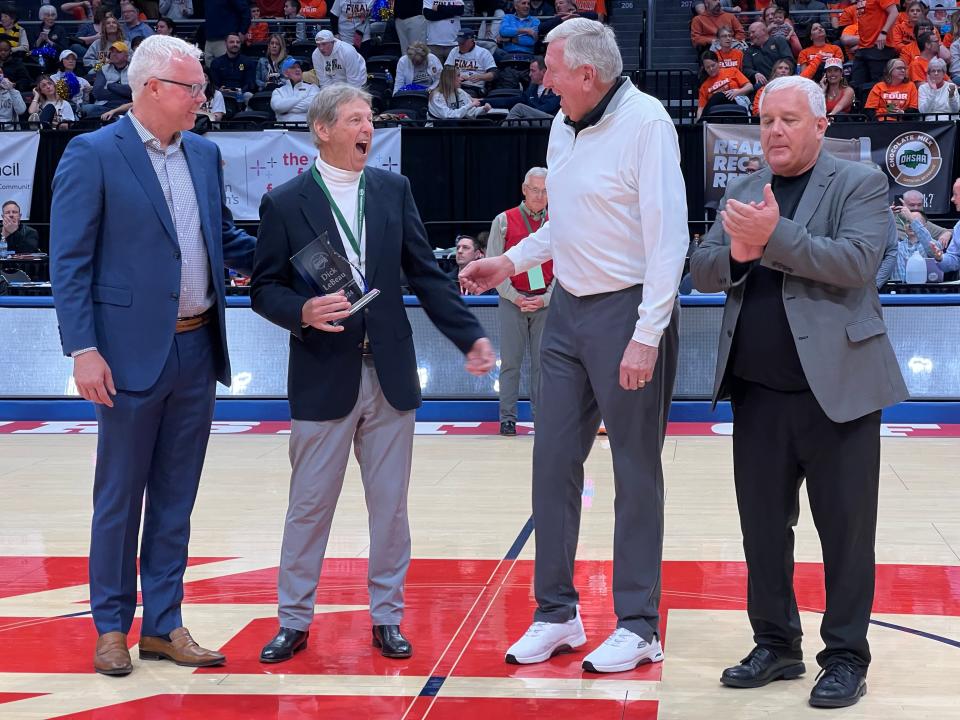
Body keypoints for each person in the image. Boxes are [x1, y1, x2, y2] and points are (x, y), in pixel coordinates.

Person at [461, 18, 686, 674]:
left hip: (625, 312)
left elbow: (668, 237)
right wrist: (510, 264)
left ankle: (639, 624)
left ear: (587, 75)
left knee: (635, 472)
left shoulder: (646, 124)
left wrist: (647, 335)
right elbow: (570, 223)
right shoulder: (564, 125)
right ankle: (557, 613)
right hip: (565, 313)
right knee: (552, 464)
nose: (543, 79)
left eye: (553, 69)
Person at [252, 82, 494, 665]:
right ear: (323, 129)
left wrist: (470, 334)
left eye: (371, 119)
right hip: (322, 373)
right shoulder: (284, 202)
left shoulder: (392, 189)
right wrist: (302, 311)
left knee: (390, 508)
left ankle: (387, 617)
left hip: (389, 374)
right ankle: (293, 620)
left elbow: (427, 274)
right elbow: (263, 288)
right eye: (357, 119)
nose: (368, 128)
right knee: (309, 506)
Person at [689, 75, 909, 709]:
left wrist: (771, 238)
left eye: (789, 120)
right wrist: (734, 250)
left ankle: (844, 657)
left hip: (838, 393)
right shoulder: (740, 187)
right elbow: (704, 268)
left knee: (844, 534)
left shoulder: (860, 184)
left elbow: (856, 263)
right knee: (762, 531)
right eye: (767, 121)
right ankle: (777, 644)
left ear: (821, 126)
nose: (775, 131)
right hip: (756, 393)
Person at [49, 34, 256, 678]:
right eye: (191, 88)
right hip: (127, 354)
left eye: (200, 86)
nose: (203, 97)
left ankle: (164, 624)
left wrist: (303, 244)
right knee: (119, 497)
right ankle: (111, 626)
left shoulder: (203, 152)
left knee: (175, 497)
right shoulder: (92, 153)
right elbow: (70, 261)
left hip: (198, 348)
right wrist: (83, 348)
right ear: (150, 90)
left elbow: (223, 238)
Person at [485, 167, 552, 437]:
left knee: (543, 364)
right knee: (510, 362)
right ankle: (507, 418)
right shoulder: (503, 221)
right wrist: (516, 297)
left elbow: (567, 267)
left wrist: (546, 298)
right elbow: (492, 265)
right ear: (524, 190)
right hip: (512, 302)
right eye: (534, 189)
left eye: (545, 190)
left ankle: (543, 418)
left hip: (546, 303)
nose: (539, 195)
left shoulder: (559, 222)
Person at [850, 0, 899, 102]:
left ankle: (879, 115)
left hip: (879, 48)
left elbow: (894, 12)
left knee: (878, 86)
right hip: (863, 48)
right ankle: (863, 115)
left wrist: (884, 32)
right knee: (857, 85)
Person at [697, 49, 753, 120]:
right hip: (717, 113)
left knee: (718, 95)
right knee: (717, 96)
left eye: (713, 65)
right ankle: (700, 125)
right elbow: (701, 108)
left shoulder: (732, 71)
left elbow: (750, 87)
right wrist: (698, 122)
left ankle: (700, 124)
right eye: (707, 67)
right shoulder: (704, 86)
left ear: (718, 63)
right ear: (704, 69)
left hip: (734, 103)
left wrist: (737, 92)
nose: (711, 69)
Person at [444, 28, 497, 97]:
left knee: (460, 96)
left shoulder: (483, 53)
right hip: (454, 85)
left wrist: (481, 77)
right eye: (459, 42)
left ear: (471, 40)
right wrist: (455, 77)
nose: (460, 44)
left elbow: (494, 74)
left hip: (473, 87)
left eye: (463, 43)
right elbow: (446, 69)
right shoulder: (454, 51)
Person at [743, 21, 793, 87]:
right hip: (762, 85)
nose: (751, 35)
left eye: (753, 32)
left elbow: (788, 60)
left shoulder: (779, 41)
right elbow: (746, 69)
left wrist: (779, 73)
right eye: (749, 34)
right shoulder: (749, 50)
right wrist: (755, 73)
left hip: (782, 82)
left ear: (763, 31)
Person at [270, 56, 320, 121]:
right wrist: (301, 97)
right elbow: (278, 107)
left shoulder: (313, 88)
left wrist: (285, 109)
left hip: (306, 129)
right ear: (285, 73)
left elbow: (312, 106)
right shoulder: (278, 91)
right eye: (293, 67)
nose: (298, 69)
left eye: (299, 67)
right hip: (283, 129)